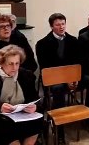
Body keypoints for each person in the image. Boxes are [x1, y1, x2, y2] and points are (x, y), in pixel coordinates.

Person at [0, 45, 43, 145]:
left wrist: (34, 106)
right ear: (1, 63)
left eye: (17, 63)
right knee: (5, 129)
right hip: (0, 119)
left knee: (37, 122)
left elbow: (35, 98)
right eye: (10, 64)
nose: (15, 68)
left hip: (23, 116)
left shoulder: (26, 75)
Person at [35, 13, 80, 144]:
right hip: (53, 80)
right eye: (58, 24)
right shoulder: (42, 44)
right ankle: (59, 130)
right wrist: (66, 79)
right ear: (51, 26)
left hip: (71, 77)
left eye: (63, 24)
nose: (61, 27)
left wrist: (74, 78)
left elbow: (77, 61)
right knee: (58, 89)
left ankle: (88, 120)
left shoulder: (73, 40)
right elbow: (46, 68)